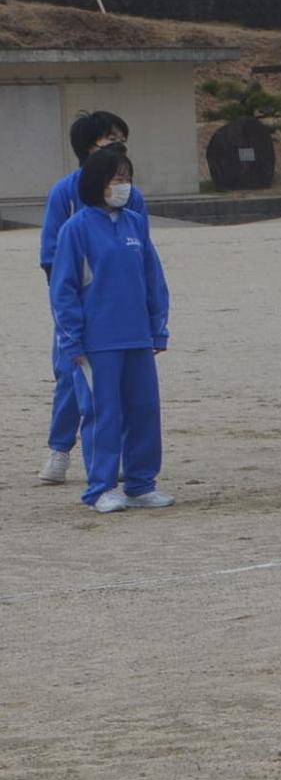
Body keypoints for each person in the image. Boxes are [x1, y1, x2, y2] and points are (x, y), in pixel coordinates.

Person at [49, 147, 171, 514]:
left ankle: (140, 483)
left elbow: (153, 277)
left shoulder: (135, 223)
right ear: (97, 183)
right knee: (103, 414)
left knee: (144, 411)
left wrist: (157, 327)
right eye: (117, 178)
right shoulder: (77, 229)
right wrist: (71, 338)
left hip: (136, 337)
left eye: (127, 178)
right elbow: (64, 289)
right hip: (96, 342)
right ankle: (100, 488)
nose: (124, 185)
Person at [37, 111, 143, 487]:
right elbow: (50, 256)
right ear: (88, 146)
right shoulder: (65, 191)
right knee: (71, 374)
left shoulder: (133, 197)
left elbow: (141, 252)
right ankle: (60, 449)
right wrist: (66, 308)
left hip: (120, 309)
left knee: (117, 385)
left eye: (121, 139)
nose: (117, 146)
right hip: (79, 304)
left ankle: (112, 456)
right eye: (109, 139)